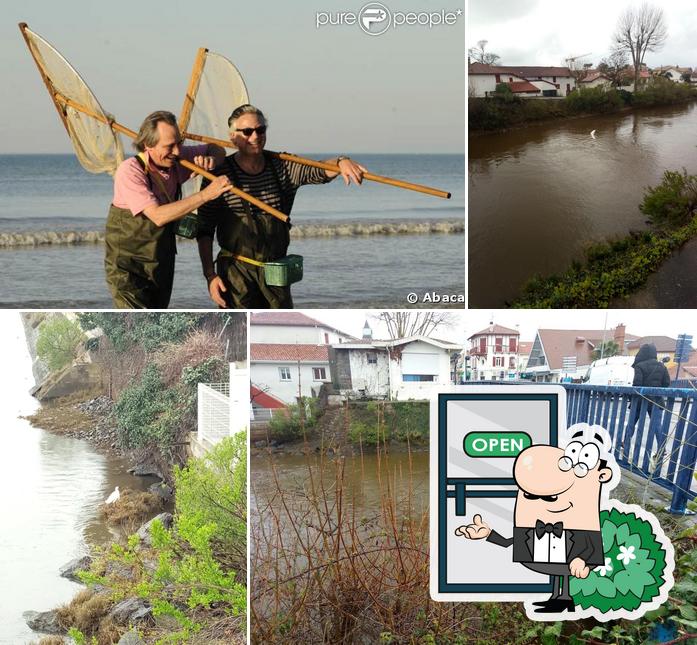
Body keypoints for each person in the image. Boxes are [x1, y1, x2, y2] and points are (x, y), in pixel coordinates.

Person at [196, 104, 367, 309]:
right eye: (247, 131)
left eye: (260, 130)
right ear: (233, 137)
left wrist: (341, 162)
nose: (255, 136)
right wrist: (210, 276)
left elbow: (318, 171)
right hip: (235, 272)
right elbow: (204, 230)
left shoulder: (282, 166)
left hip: (276, 271)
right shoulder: (218, 174)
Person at [456, 427, 613, 614]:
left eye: (551, 497)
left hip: (573, 562)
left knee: (563, 572)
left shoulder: (584, 527)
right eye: (529, 496)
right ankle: (558, 598)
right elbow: (509, 543)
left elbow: (592, 548)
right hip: (547, 558)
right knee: (557, 573)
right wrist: (488, 534)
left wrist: (583, 561)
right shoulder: (532, 530)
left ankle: (565, 599)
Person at [105, 110, 232, 308]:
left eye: (179, 143)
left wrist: (211, 160)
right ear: (148, 145)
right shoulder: (130, 171)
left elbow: (217, 149)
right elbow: (157, 216)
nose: (177, 152)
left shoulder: (176, 160)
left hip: (161, 262)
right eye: (169, 146)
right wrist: (207, 194)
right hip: (129, 268)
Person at [623, 343, 670, 458]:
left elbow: (637, 385)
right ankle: (662, 449)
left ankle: (626, 443)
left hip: (640, 401)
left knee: (632, 423)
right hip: (656, 401)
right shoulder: (662, 367)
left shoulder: (640, 366)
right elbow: (666, 384)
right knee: (657, 426)